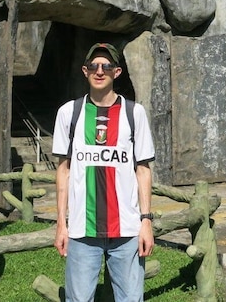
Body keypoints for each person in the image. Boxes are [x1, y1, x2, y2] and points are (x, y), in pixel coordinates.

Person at [53, 43, 155, 302]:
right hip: (81, 230)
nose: (100, 71)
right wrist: (61, 224)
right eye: (94, 66)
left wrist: (146, 222)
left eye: (107, 66)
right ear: (85, 71)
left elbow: (142, 170)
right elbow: (63, 171)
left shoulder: (135, 113)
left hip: (127, 230)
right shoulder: (69, 113)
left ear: (117, 72)